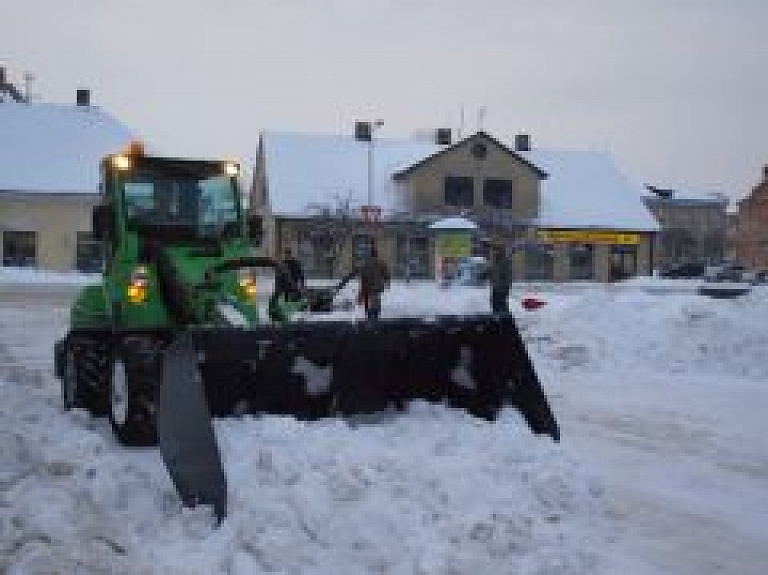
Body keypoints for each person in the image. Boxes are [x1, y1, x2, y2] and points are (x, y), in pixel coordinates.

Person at [268, 248, 305, 321]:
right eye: (286, 255)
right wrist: (277, 286)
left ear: (290, 255)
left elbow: (300, 275)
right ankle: (274, 312)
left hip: (292, 286)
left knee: (295, 299)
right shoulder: (282, 264)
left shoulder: (295, 264)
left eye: (288, 255)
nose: (287, 256)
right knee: (277, 299)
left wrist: (301, 284)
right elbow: (278, 276)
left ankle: (297, 313)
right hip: (283, 286)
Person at [358, 244, 390, 320]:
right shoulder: (381, 264)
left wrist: (361, 290)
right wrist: (386, 283)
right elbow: (386, 275)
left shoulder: (365, 264)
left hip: (367, 286)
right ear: (376, 255)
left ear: (370, 255)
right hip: (377, 287)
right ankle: (375, 314)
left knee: (368, 300)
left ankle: (369, 314)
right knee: (376, 300)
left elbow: (363, 277)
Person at [488, 244, 512, 314]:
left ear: (500, 252)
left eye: (495, 251)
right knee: (494, 304)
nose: (493, 253)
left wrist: (505, 287)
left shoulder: (504, 261)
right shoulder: (494, 261)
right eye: (493, 251)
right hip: (495, 287)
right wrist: (485, 274)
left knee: (501, 305)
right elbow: (491, 271)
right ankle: (497, 318)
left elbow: (508, 276)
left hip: (502, 288)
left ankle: (505, 319)